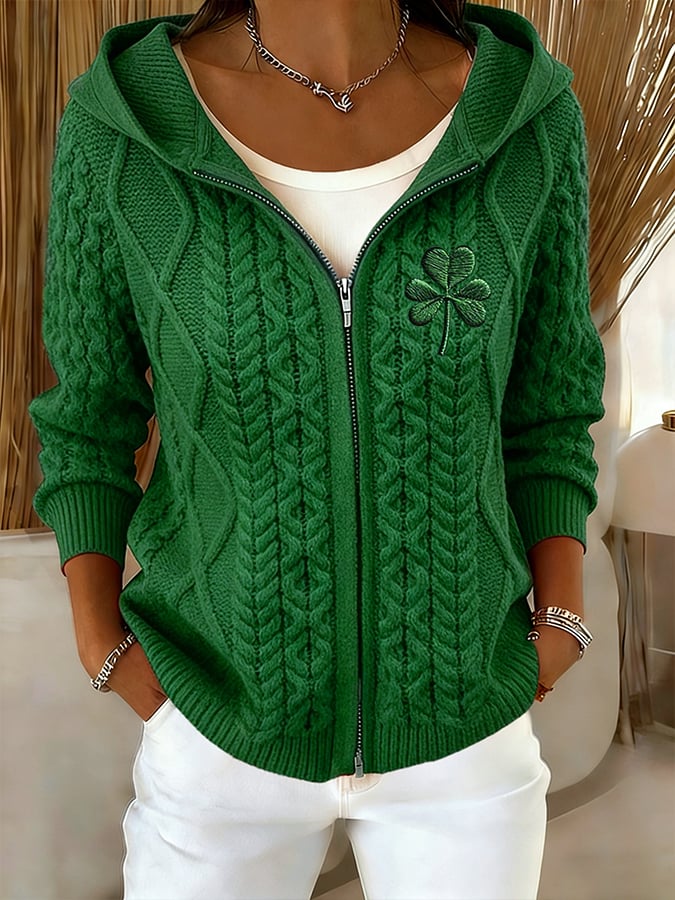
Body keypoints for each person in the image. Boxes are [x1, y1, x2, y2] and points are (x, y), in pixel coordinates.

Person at [29, 1, 606, 897]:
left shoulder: (523, 116)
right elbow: (88, 416)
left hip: (463, 743)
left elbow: (549, 400)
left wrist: (560, 621)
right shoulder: (124, 129)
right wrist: (101, 644)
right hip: (217, 732)